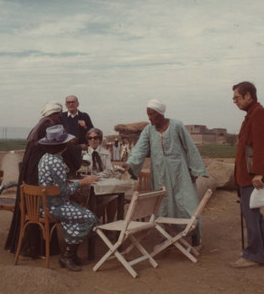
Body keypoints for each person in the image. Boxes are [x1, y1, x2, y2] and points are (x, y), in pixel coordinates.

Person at [122, 99, 208, 249]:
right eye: (148, 114)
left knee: (188, 204)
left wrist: (194, 170)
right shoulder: (148, 130)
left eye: (152, 114)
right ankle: (165, 236)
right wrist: (130, 163)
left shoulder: (177, 125)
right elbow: (139, 149)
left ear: (160, 113)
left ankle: (195, 237)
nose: (149, 118)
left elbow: (190, 147)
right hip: (160, 174)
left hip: (180, 174)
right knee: (163, 205)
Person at [5, 101, 69, 257]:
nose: (59, 120)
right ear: (52, 115)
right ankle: (36, 248)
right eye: (58, 116)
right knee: (41, 204)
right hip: (36, 172)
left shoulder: (40, 125)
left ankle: (31, 247)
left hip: (30, 171)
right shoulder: (48, 126)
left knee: (31, 207)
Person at [231, 81, 264, 268]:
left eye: (237, 97)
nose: (234, 101)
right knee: (253, 214)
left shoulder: (259, 114)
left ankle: (254, 255)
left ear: (248, 96)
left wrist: (258, 173)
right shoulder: (251, 115)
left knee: (251, 215)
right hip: (247, 176)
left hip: (251, 177)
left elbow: (263, 146)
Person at [38, 124, 99, 272]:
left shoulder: (45, 158)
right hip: (54, 207)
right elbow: (63, 191)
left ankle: (70, 255)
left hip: (47, 204)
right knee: (90, 218)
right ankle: (67, 255)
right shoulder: (57, 162)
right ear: (63, 145)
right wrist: (82, 183)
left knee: (82, 213)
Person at [87, 128, 118, 222]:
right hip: (88, 185)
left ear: (100, 140)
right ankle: (94, 223)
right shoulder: (84, 153)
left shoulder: (106, 153)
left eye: (95, 138)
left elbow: (109, 170)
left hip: (102, 183)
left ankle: (110, 224)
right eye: (90, 138)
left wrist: (97, 176)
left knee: (114, 197)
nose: (93, 140)